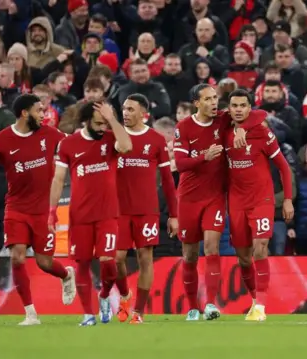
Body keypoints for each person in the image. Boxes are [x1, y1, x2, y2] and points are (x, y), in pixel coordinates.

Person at [0, 93, 77, 326]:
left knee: (44, 262)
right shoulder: (2, 139)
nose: (44, 115)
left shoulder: (50, 135)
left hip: (43, 211)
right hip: (17, 208)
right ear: (24, 113)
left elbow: (75, 145)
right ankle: (31, 314)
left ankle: (66, 274)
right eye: (39, 110)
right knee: (18, 257)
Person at [172, 84, 257, 321]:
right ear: (196, 103)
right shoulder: (184, 127)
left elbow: (257, 115)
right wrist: (204, 157)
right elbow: (180, 164)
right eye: (207, 99)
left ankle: (210, 304)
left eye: (215, 98)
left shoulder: (222, 119)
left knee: (212, 248)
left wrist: (242, 128)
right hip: (188, 198)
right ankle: (192, 307)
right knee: (189, 255)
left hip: (215, 197)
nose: (213, 103)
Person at [48, 100, 132, 326]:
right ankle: (88, 314)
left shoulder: (111, 137)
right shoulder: (68, 144)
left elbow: (127, 146)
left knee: (107, 261)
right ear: (86, 121)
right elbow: (57, 179)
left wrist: (112, 119)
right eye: (98, 123)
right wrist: (52, 210)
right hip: (80, 215)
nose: (102, 128)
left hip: (107, 213)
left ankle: (104, 295)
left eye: (105, 123)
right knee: (82, 264)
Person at [223, 89, 294, 322]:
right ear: (230, 108)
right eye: (234, 105)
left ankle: (261, 305)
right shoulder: (223, 133)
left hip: (262, 199)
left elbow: (283, 167)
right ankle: (255, 300)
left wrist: (287, 200)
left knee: (260, 246)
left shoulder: (263, 133)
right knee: (243, 257)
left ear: (249, 108)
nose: (239, 109)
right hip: (236, 202)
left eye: (243, 105)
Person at [113, 93, 178, 324]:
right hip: (118, 209)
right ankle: (124, 295)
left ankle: (138, 312)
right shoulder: (115, 136)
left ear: (144, 113)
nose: (126, 113)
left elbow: (168, 181)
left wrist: (174, 214)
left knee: (145, 258)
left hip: (146, 209)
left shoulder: (156, 140)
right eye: (124, 109)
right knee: (116, 258)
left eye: (131, 109)